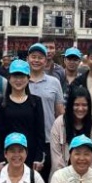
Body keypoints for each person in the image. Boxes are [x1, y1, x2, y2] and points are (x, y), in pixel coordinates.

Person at [0, 59, 46, 170]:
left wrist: (38, 157)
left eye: (22, 77)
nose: (18, 80)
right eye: (15, 76)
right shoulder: (1, 103)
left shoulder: (36, 102)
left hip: (30, 156)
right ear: (9, 78)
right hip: (8, 156)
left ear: (28, 78)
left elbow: (40, 132)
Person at [26, 43, 65, 174]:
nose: (36, 60)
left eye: (40, 57)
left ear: (45, 60)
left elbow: (60, 113)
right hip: (25, 140)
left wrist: (62, 139)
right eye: (33, 57)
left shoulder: (54, 82)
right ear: (28, 59)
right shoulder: (19, 81)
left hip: (49, 139)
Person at [50, 88, 92, 172]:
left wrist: (83, 177)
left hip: (89, 174)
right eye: (76, 105)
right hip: (62, 174)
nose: (80, 108)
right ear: (70, 105)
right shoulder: (59, 124)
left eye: (84, 105)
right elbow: (56, 158)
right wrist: (66, 177)